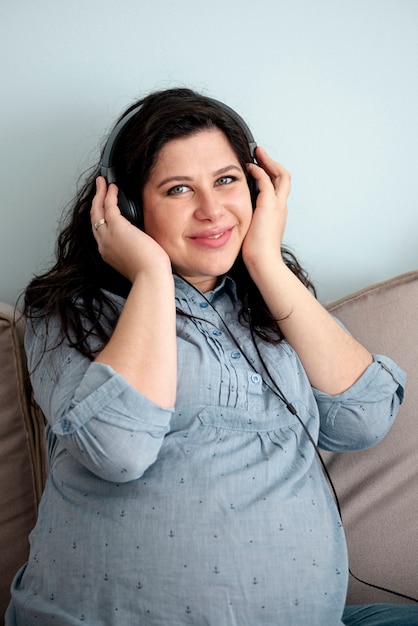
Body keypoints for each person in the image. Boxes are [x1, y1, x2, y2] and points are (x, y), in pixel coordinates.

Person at [5, 88, 418, 626]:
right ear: (126, 207)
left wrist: (265, 260)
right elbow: (118, 449)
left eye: (226, 180)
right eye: (179, 189)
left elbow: (364, 419)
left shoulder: (272, 305)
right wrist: (152, 275)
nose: (211, 209)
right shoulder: (70, 312)